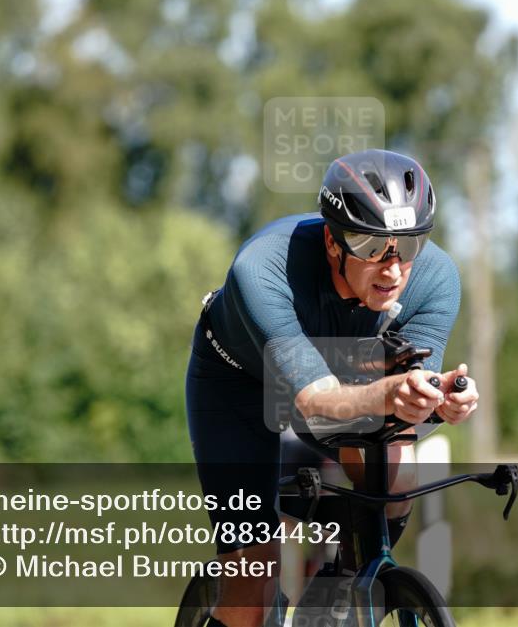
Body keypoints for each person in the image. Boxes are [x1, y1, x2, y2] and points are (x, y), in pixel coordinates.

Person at [186, 149, 479, 627]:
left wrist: (441, 397)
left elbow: (407, 392)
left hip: (347, 372)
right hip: (239, 381)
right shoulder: (262, 268)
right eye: (370, 246)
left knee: (396, 483)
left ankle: (333, 599)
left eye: (406, 247)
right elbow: (314, 400)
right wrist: (390, 393)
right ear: (331, 241)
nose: (391, 269)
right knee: (252, 582)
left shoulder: (435, 278)